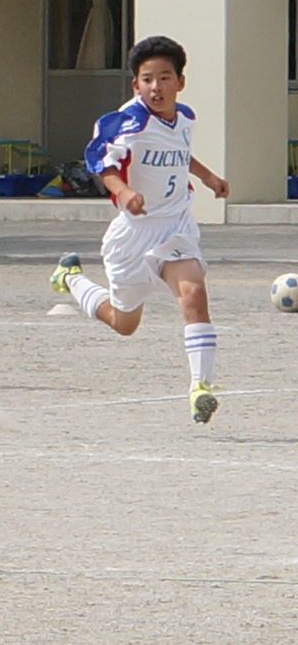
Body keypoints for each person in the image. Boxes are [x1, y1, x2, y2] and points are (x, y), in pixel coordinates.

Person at [50, 35, 230, 424]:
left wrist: (208, 177)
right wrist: (124, 191)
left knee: (194, 293)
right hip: (133, 235)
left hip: (176, 226)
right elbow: (101, 163)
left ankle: (200, 386)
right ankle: (72, 279)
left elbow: (180, 152)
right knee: (124, 323)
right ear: (136, 84)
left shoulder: (185, 117)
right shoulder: (127, 121)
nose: (156, 87)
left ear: (180, 82)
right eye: (147, 79)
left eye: (164, 78)